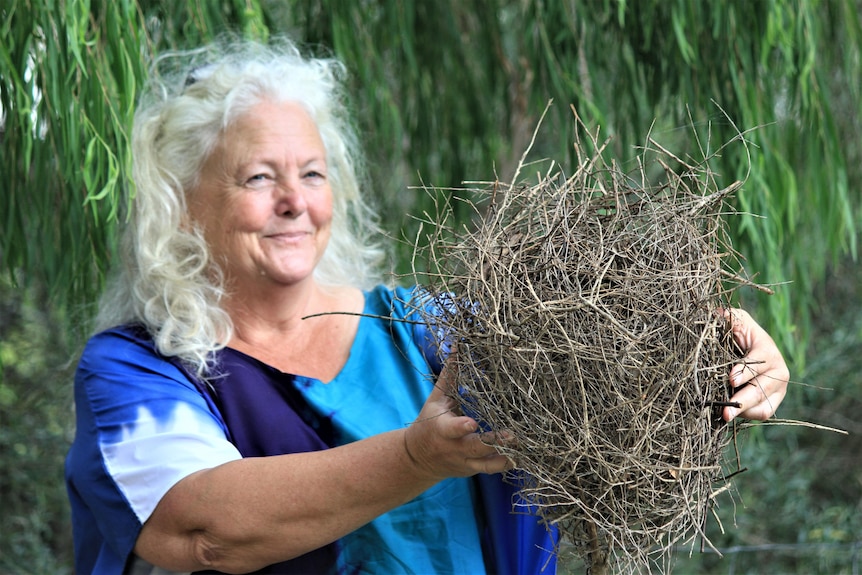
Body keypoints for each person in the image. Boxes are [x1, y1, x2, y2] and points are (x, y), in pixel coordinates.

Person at [65, 38, 790, 575]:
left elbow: (604, 375)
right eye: (258, 176)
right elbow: (201, 526)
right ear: (183, 207)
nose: (294, 202)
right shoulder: (135, 371)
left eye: (312, 174)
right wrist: (416, 456)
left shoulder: (429, 329)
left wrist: (718, 357)